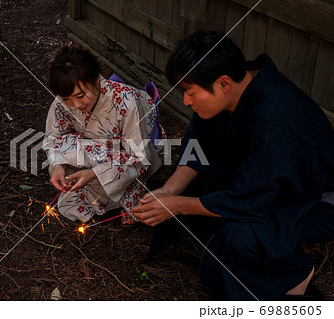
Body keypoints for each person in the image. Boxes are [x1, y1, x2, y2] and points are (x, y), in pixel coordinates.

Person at [131, 31, 334, 300]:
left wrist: (177, 205)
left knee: (240, 238)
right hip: (265, 180)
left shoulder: (275, 118)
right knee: (199, 183)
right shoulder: (230, 86)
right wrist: (169, 192)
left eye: (190, 93)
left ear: (224, 83)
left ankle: (294, 273)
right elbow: (199, 146)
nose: (186, 101)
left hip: (315, 199)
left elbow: (248, 200)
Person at [42, 43, 164, 224]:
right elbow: (54, 138)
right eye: (67, 99)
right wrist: (57, 165)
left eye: (81, 96)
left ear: (96, 79)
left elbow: (139, 158)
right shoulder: (63, 100)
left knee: (90, 158)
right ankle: (98, 188)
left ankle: (121, 194)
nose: (76, 105)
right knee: (69, 206)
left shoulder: (126, 103)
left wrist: (94, 173)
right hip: (96, 152)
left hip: (129, 156)